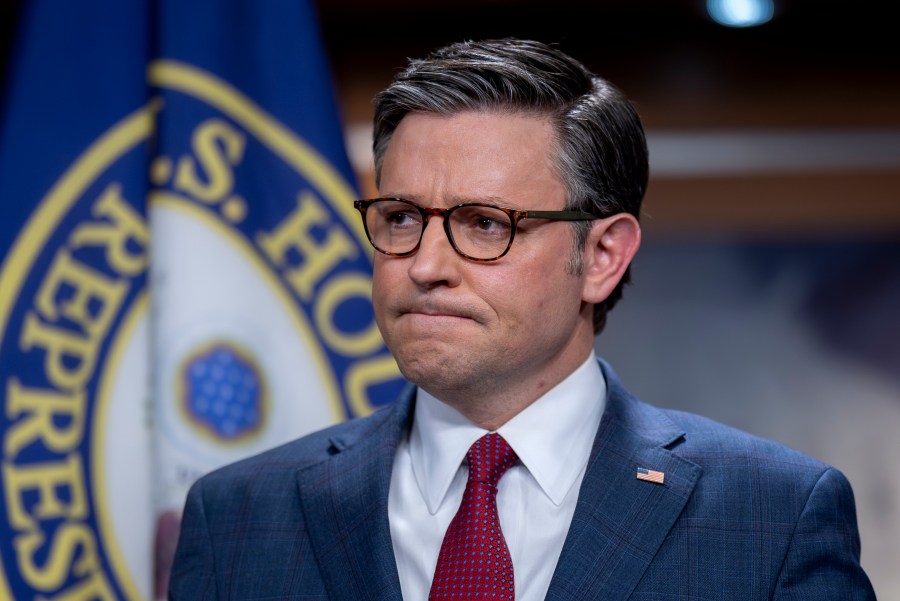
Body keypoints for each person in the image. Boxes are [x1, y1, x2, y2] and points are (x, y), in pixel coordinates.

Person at [168, 38, 876, 600]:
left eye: (484, 223)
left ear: (601, 255)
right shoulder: (238, 519)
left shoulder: (771, 518)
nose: (425, 264)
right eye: (402, 217)